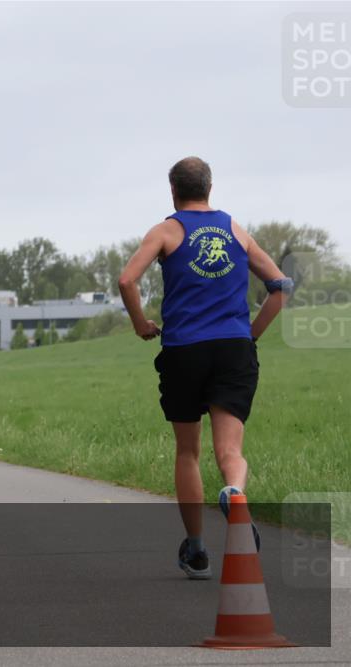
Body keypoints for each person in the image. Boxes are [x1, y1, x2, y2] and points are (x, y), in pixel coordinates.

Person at [118, 156, 290, 580]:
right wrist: (250, 334)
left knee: (188, 451)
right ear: (209, 188)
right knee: (230, 451)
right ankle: (234, 492)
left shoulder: (166, 230)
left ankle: (196, 550)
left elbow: (127, 280)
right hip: (233, 348)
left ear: (173, 190)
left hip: (183, 351)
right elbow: (280, 285)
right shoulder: (234, 229)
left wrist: (141, 323)